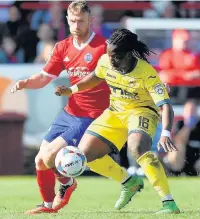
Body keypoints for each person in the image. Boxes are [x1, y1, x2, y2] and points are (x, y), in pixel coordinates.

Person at [11, 1, 139, 215]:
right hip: (70, 113)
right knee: (40, 160)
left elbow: (128, 72)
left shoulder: (104, 47)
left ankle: (67, 183)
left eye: (81, 20)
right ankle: (49, 204)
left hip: (92, 116)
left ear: (90, 20)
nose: (76, 25)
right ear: (67, 20)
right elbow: (44, 77)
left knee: (52, 154)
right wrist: (27, 82)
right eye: (72, 20)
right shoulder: (62, 46)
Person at [56, 28, 181, 214]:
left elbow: (165, 106)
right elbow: (95, 77)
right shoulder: (106, 60)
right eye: (109, 55)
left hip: (142, 112)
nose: (111, 60)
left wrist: (165, 133)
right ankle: (129, 182)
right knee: (84, 156)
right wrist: (72, 90)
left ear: (130, 54)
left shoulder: (147, 73)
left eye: (116, 56)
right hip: (115, 113)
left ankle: (168, 203)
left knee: (138, 148)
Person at [165, 99, 200, 176]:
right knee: (178, 146)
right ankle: (175, 173)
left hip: (196, 158)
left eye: (193, 110)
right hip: (181, 158)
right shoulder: (179, 124)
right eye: (189, 110)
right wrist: (187, 127)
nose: (191, 113)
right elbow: (178, 141)